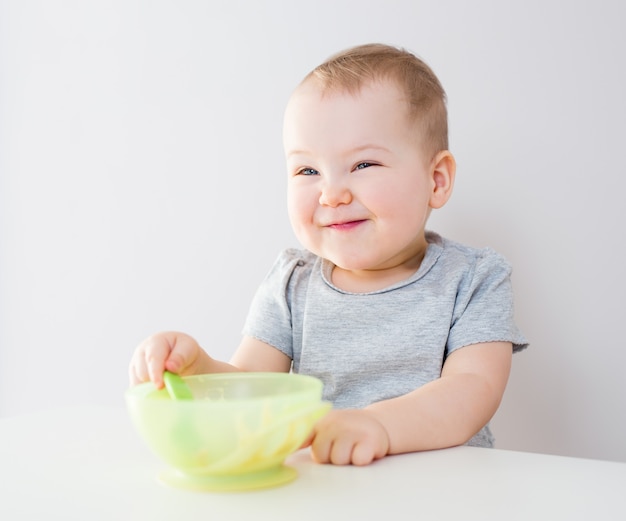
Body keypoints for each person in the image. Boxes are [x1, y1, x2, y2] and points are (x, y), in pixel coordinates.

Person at [129, 43, 528, 466]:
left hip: (445, 489)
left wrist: (381, 425)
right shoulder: (291, 284)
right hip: (325, 488)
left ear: (436, 179)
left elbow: (472, 390)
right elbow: (252, 387)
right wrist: (200, 373)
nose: (331, 194)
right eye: (307, 171)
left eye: (363, 165)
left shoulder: (473, 279)